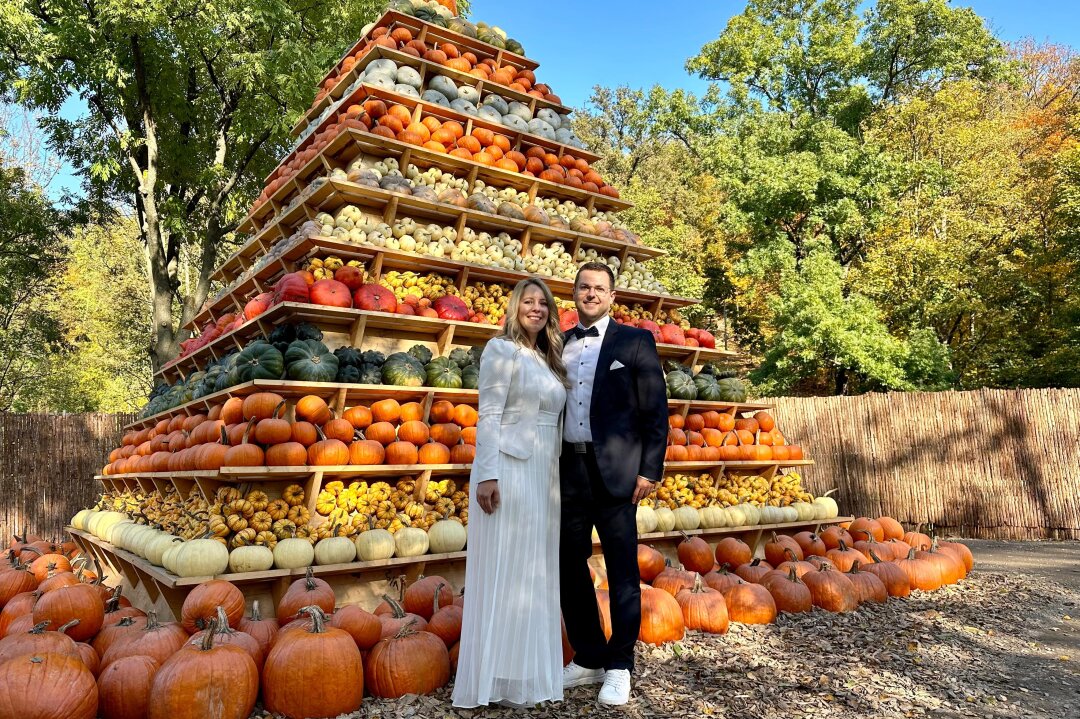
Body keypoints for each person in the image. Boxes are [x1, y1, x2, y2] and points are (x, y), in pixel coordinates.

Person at [452, 277, 570, 709]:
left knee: (532, 572)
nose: (536, 308)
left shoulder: (548, 358)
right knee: (506, 565)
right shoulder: (500, 350)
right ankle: (492, 678)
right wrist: (487, 475)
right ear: (516, 306)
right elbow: (489, 414)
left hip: (545, 471)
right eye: (529, 301)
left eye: (543, 303)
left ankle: (522, 676)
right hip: (510, 467)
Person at [559, 261, 668, 706]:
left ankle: (620, 665)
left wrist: (650, 469)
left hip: (619, 475)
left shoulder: (635, 342)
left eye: (599, 288)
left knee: (623, 571)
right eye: (584, 287)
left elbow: (655, 411)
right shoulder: (559, 343)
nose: (591, 294)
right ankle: (588, 656)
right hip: (568, 472)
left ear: (612, 295)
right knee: (568, 567)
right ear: (575, 293)